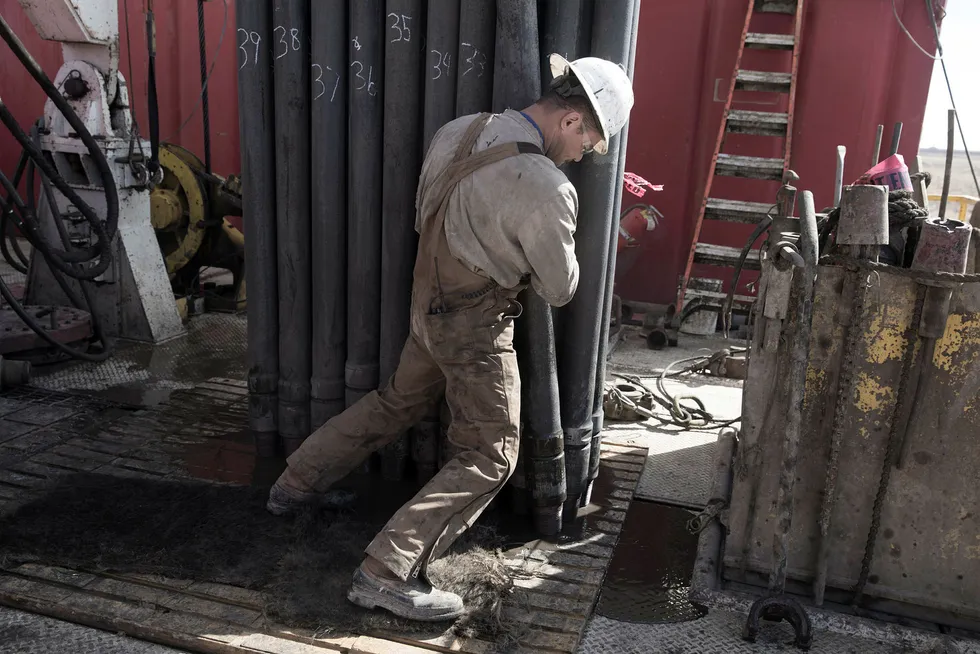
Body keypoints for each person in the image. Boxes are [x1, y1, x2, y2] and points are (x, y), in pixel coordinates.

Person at [266, 54, 634, 622]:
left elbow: (424, 215)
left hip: (426, 301)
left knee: (396, 400)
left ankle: (294, 484)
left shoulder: (460, 130)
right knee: (491, 453)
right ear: (570, 121)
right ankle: (386, 573)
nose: (585, 154)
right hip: (473, 326)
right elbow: (560, 290)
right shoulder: (547, 186)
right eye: (590, 141)